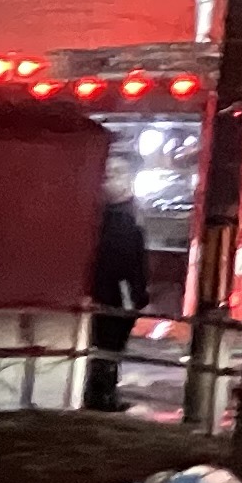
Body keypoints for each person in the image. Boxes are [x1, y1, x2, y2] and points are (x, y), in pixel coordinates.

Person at [82, 163, 153, 414]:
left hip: (103, 294)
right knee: (110, 347)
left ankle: (98, 394)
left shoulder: (99, 220)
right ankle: (103, 397)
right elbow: (129, 265)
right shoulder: (124, 222)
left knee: (100, 346)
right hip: (118, 297)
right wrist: (136, 298)